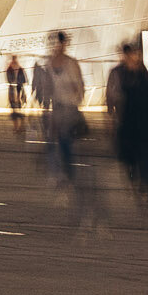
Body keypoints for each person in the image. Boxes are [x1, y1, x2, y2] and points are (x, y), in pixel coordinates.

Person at [38, 30, 86, 187]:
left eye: (58, 43)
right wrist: (45, 105)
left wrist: (76, 100)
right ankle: (59, 174)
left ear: (64, 44)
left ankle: (67, 172)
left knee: (65, 140)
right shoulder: (49, 64)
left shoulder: (71, 63)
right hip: (57, 107)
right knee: (52, 140)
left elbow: (79, 85)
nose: (55, 46)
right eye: (53, 43)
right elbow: (47, 86)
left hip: (69, 107)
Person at [105, 39, 148, 190]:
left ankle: (140, 173)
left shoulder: (141, 71)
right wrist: (111, 115)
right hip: (125, 116)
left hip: (141, 116)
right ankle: (132, 170)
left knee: (140, 147)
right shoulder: (118, 72)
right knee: (128, 147)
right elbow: (110, 94)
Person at [4, 54, 28, 136]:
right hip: (13, 91)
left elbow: (24, 80)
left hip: (19, 90)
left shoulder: (19, 69)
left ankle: (20, 127)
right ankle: (16, 127)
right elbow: (9, 80)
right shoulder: (9, 69)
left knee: (20, 109)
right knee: (14, 110)